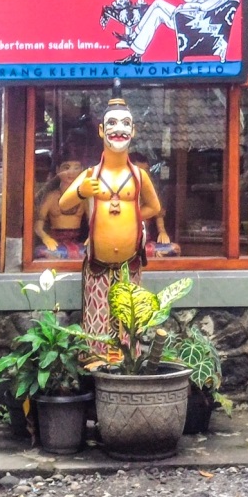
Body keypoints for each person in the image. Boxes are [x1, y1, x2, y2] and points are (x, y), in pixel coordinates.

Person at [59, 85, 163, 355]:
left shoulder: (139, 177)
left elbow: (155, 206)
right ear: (102, 131)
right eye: (113, 123)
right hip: (98, 263)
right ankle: (97, 362)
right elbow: (64, 203)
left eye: (126, 123)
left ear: (134, 131)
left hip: (131, 262)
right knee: (97, 318)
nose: (120, 129)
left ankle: (128, 364)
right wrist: (82, 191)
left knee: (129, 320)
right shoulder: (92, 174)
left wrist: (135, 216)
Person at [33, 157, 88, 260]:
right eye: (66, 168)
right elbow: (38, 225)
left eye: (76, 168)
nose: (71, 172)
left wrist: (92, 237)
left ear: (82, 171)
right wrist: (45, 238)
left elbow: (94, 222)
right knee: (43, 253)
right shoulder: (51, 197)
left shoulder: (84, 197)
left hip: (78, 244)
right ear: (58, 170)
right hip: (55, 244)